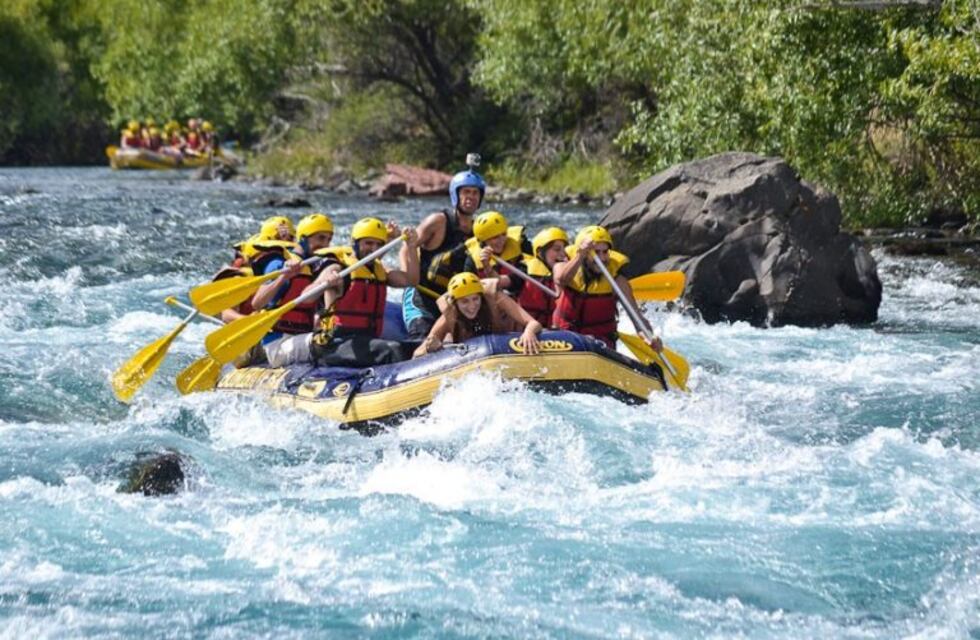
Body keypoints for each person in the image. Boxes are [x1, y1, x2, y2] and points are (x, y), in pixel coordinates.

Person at [309, 218, 420, 367]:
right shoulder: (339, 269)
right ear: (355, 243)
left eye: (379, 245)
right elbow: (308, 296)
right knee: (393, 350)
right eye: (368, 243)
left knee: (415, 346)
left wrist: (411, 246)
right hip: (335, 344)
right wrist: (326, 282)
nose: (374, 249)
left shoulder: (380, 271)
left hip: (368, 341)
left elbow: (410, 280)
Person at [402, 162, 485, 340]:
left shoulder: (480, 230)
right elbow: (406, 247)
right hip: (422, 298)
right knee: (424, 340)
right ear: (456, 195)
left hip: (456, 302)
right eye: (466, 192)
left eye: (475, 193)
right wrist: (410, 278)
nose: (471, 197)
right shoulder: (438, 222)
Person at [552, 225, 661, 351]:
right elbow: (561, 280)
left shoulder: (618, 282)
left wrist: (649, 335)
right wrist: (580, 255)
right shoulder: (562, 266)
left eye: (605, 252)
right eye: (596, 252)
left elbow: (638, 319)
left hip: (600, 344)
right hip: (565, 339)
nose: (602, 258)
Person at [249, 216, 323, 368]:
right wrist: (284, 276)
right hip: (279, 341)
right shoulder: (278, 264)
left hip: (301, 337)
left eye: (328, 239)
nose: (325, 244)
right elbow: (257, 303)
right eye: (320, 238)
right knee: (326, 342)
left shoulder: (315, 266)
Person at [413, 272, 542, 358]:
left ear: (481, 297)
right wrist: (431, 348)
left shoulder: (496, 299)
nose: (471, 306)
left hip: (509, 349)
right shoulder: (450, 314)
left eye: (475, 299)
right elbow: (418, 353)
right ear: (455, 303)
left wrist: (529, 332)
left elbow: (533, 323)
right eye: (465, 301)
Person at [517, 226, 568, 326]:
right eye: (557, 249)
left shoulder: (571, 272)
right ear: (540, 253)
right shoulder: (524, 270)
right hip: (531, 329)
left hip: (559, 330)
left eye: (564, 249)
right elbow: (507, 281)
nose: (563, 254)